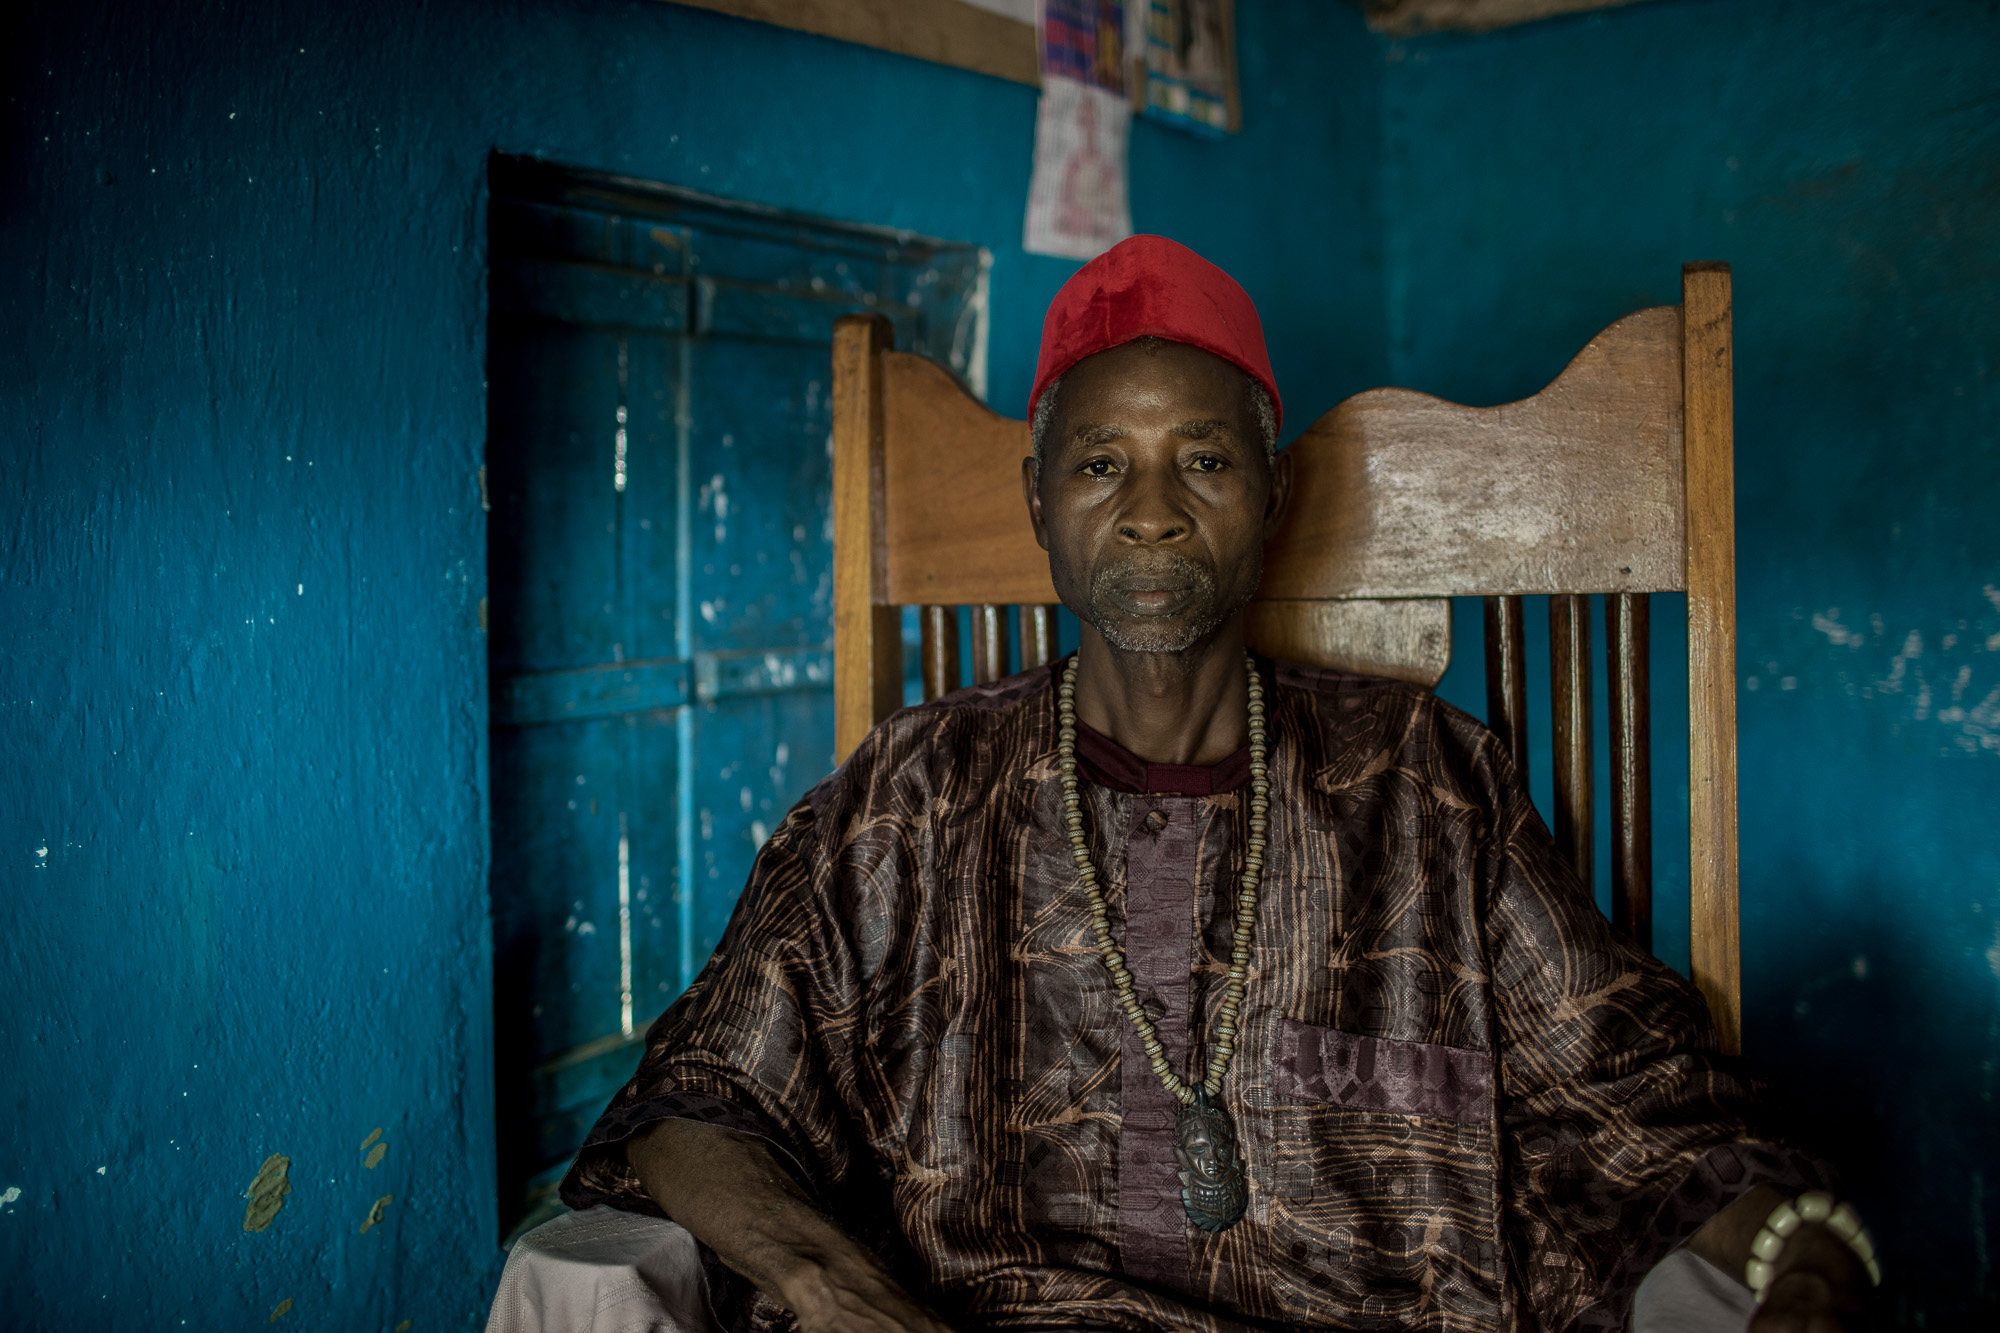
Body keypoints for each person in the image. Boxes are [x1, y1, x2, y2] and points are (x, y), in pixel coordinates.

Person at [554, 236, 1876, 1332]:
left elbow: (1644, 1113)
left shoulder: (1430, 787)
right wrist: (829, 1284)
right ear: (1037, 501)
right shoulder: (912, 797)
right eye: (1097, 464)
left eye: (1202, 458)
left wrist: (1803, 1263)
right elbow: (696, 1103)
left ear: (1272, 490)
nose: (1150, 511)